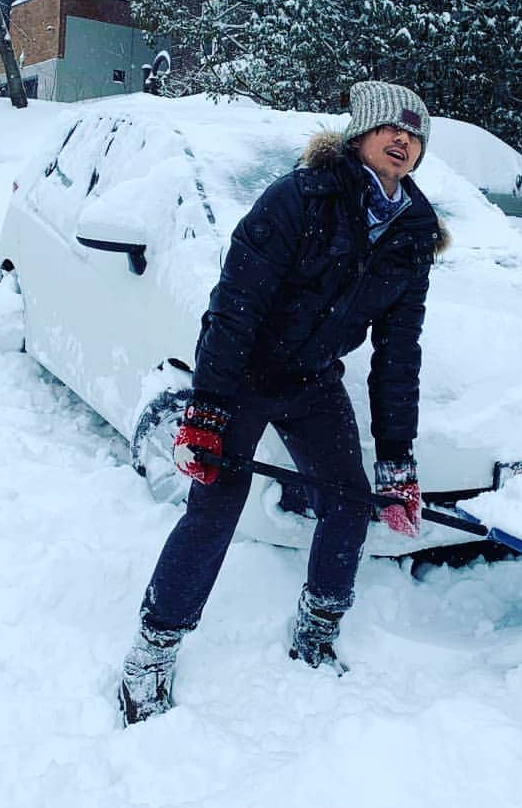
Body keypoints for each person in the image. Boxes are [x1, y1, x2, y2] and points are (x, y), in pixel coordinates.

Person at [118, 80, 447, 726]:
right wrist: (209, 410)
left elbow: (398, 353)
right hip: (244, 371)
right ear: (360, 136)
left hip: (313, 379)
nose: (402, 141)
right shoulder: (302, 197)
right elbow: (235, 305)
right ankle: (152, 650)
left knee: (351, 501)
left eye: (414, 135)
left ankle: (317, 629)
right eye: (390, 129)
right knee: (216, 506)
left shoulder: (412, 234)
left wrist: (399, 459)